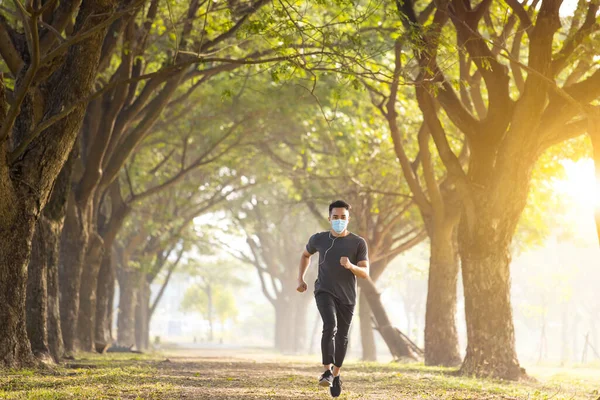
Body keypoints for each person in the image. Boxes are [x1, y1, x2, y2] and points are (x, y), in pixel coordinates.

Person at [297, 200, 369, 398]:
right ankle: (327, 370)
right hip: (324, 290)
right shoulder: (319, 239)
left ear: (348, 219)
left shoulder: (358, 243)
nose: (339, 221)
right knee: (330, 325)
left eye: (343, 217)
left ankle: (336, 375)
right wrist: (301, 278)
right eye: (335, 217)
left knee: (342, 336)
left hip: (347, 296)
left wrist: (351, 267)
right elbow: (305, 255)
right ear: (329, 218)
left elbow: (365, 273)